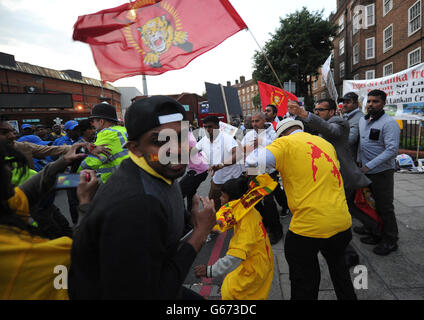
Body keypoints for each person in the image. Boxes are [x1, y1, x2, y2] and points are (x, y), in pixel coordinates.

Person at [68, 96, 217, 300]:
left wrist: (188, 219)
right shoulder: (137, 207)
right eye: (160, 141)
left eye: (181, 137)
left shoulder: (160, 170)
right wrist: (200, 233)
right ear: (134, 148)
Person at [247, 118, 357, 300]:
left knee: (304, 282)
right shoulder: (324, 143)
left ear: (281, 135)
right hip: (341, 221)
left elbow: (253, 162)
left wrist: (256, 154)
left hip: (309, 227)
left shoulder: (284, 142)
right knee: (340, 272)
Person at [0, 140, 99, 299]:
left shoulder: (7, 201)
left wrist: (64, 161)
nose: (10, 169)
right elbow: (82, 250)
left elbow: (30, 191)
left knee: (64, 228)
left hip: (49, 207)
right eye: (5, 165)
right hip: (41, 214)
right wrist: (85, 204)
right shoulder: (24, 253)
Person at [288, 98, 371, 267]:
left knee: (342, 214)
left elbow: (329, 129)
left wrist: (304, 113)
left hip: (343, 178)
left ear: (332, 112)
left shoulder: (339, 123)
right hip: (331, 179)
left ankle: (350, 251)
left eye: (321, 110)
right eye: (315, 109)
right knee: (346, 212)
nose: (317, 112)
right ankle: (366, 234)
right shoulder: (322, 124)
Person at [194, 174, 274, 300]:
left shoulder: (246, 226)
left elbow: (235, 257)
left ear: (233, 201)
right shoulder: (247, 210)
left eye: (223, 196)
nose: (220, 199)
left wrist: (210, 271)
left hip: (254, 270)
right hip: (257, 262)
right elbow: (228, 219)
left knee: (232, 293)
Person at [357, 89, 400, 256]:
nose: (371, 104)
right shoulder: (363, 120)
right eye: (369, 101)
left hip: (382, 172)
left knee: (385, 207)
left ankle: (390, 240)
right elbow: (362, 144)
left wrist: (369, 166)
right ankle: (376, 232)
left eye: (375, 101)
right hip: (365, 170)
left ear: (383, 104)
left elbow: (391, 150)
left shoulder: (389, 123)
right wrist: (360, 163)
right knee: (370, 205)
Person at [241, 112, 284, 244]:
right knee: (256, 201)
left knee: (269, 202)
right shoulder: (249, 134)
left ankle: (276, 231)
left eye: (257, 121)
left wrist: (262, 142)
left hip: (268, 172)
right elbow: (243, 151)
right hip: (253, 170)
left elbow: (278, 148)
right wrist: (246, 168)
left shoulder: (273, 133)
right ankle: (265, 225)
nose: (254, 124)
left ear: (264, 120)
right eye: (252, 121)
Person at [193, 115, 243, 211]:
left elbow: (238, 155)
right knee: (213, 205)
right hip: (217, 180)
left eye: (210, 127)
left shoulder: (227, 138)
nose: (207, 129)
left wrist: (222, 165)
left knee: (235, 207)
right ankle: (217, 223)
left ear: (217, 126)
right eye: (205, 127)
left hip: (232, 180)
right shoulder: (204, 140)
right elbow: (192, 151)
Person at [78, 103, 129, 184]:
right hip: (129, 177)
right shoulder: (123, 130)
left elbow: (93, 162)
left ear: (101, 121)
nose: (93, 124)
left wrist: (77, 171)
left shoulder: (106, 133)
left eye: (93, 121)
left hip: (114, 184)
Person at [179, 130, 209, 213]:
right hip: (201, 168)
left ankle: (186, 218)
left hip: (198, 170)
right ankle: (191, 216)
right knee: (190, 193)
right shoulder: (187, 133)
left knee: (178, 194)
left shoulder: (183, 135)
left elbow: (190, 151)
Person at [340, 92, 364, 162]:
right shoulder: (346, 115)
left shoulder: (358, 118)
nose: (344, 105)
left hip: (352, 159)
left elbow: (350, 139)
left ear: (356, 104)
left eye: (348, 102)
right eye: (343, 102)